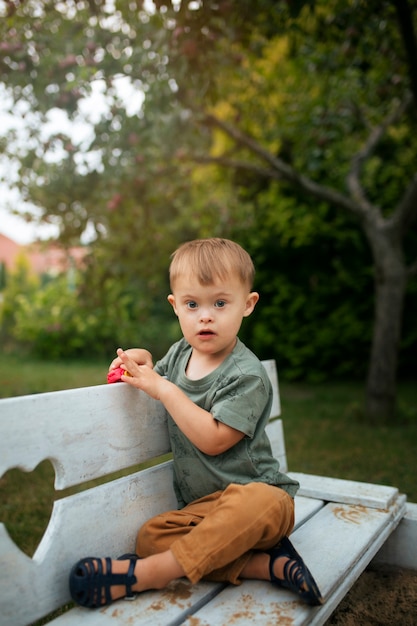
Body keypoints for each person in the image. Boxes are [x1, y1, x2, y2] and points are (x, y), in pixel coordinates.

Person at [69, 238, 323, 608]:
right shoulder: (181, 353)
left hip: (259, 499)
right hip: (204, 512)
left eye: (220, 303)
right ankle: (266, 566)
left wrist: (165, 390)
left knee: (260, 502)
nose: (205, 315)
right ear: (176, 307)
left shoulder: (247, 375)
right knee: (151, 536)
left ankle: (147, 575)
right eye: (192, 304)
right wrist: (140, 360)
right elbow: (157, 375)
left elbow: (214, 439)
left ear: (247, 305)